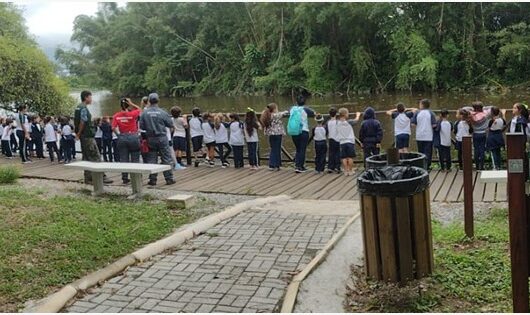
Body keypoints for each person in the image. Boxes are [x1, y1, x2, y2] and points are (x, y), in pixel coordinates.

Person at [74, 90, 112, 184]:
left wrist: (79, 134)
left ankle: (88, 178)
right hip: (87, 136)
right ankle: (101, 176)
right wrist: (78, 134)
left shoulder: (78, 108)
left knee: (86, 157)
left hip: (83, 137)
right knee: (96, 156)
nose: (91, 99)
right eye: (90, 97)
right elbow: (83, 122)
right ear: (86, 97)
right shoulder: (83, 108)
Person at [139, 92, 175, 186]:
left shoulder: (144, 113)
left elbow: (142, 126)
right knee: (166, 158)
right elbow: (170, 124)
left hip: (150, 138)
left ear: (149, 101)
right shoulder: (162, 112)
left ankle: (153, 180)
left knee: (152, 159)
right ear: (158, 100)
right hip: (162, 138)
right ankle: (169, 178)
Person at [113, 98, 143, 183]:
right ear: (128, 105)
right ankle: (136, 177)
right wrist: (132, 103)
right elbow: (140, 109)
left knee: (124, 158)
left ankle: (125, 178)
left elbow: (113, 127)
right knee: (135, 158)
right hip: (133, 136)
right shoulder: (132, 114)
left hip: (122, 136)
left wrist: (118, 135)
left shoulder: (116, 115)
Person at [288, 95, 315, 173]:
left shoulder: (292, 108)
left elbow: (287, 111)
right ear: (305, 102)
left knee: (298, 149)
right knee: (302, 149)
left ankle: (297, 165)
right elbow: (314, 113)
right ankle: (300, 167)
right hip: (303, 131)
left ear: (296, 102)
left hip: (294, 131)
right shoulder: (306, 109)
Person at [464, 101, 492, 170]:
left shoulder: (471, 114)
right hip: (483, 133)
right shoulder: (486, 114)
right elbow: (492, 107)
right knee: (482, 150)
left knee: (476, 150)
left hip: (475, 133)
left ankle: (477, 166)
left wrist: (473, 110)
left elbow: (464, 108)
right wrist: (484, 108)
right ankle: (482, 166)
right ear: (481, 108)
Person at [261, 103, 288, 171]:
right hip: (277, 134)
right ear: (274, 109)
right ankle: (276, 164)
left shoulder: (267, 115)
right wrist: (287, 111)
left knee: (273, 149)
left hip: (270, 134)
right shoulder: (275, 115)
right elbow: (284, 112)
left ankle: (272, 164)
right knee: (277, 149)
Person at [411, 99, 436, 170]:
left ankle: (421, 165)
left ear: (422, 105)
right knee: (428, 152)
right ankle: (427, 166)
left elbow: (413, 124)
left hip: (419, 135)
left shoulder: (417, 113)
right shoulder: (431, 113)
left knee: (421, 151)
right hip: (429, 136)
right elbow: (434, 125)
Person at [337, 108, 361, 176]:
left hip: (342, 142)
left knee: (344, 157)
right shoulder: (349, 122)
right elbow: (356, 120)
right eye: (347, 113)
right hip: (350, 141)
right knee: (350, 157)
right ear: (345, 115)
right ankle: (350, 170)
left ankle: (346, 170)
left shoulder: (337, 123)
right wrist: (358, 115)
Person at [170, 106, 188, 170]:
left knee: (176, 150)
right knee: (180, 150)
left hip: (175, 135)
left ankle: (175, 162)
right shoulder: (181, 119)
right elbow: (186, 126)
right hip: (182, 135)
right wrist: (185, 118)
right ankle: (179, 162)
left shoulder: (171, 119)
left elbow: (171, 128)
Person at [327, 107, 341, 174]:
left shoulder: (328, 122)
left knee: (331, 153)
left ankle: (330, 167)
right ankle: (337, 167)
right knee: (337, 153)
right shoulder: (337, 122)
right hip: (337, 139)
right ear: (336, 114)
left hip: (330, 139)